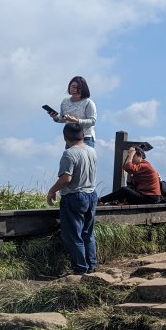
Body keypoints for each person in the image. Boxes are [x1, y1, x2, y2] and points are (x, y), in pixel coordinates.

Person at [46, 124, 98, 275]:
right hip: (91, 194)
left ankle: (80, 269)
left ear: (65, 137)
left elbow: (66, 178)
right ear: (83, 135)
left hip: (75, 196)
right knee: (88, 233)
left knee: (74, 235)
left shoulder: (69, 154)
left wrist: (52, 191)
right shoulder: (92, 151)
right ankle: (92, 266)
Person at [48, 76, 97, 147]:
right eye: (73, 87)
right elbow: (63, 118)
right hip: (70, 138)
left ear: (83, 89)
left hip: (86, 138)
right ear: (69, 87)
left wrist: (76, 121)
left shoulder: (88, 102)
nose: (75, 90)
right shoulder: (65, 102)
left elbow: (92, 121)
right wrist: (55, 117)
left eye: (78, 88)